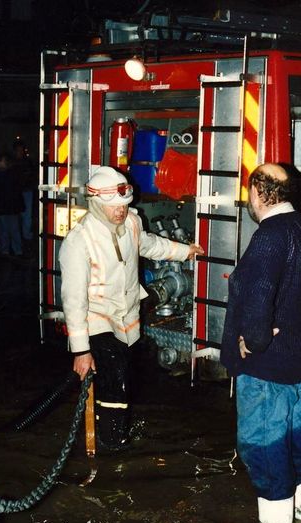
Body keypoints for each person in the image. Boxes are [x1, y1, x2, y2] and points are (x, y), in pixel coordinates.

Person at [59, 166, 204, 450]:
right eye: (114, 206)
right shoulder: (78, 242)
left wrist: (184, 251)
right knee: (115, 378)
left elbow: (149, 245)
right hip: (96, 320)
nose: (121, 211)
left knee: (123, 375)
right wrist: (81, 351)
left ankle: (113, 429)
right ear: (97, 203)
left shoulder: (132, 223)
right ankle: (113, 442)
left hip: (127, 318)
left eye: (124, 205)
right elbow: (74, 301)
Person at [220, 163, 301, 523]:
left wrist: (253, 340)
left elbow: (258, 296)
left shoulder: (270, 235)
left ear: (256, 192)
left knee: (265, 446)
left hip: (267, 368)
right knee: (299, 443)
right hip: (299, 364)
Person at [0, 152, 24, 256]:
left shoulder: (10, 174)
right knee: (5, 230)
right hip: (3, 208)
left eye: (1, 160)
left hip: (8, 207)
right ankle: (8, 251)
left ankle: (15, 251)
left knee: (11, 230)